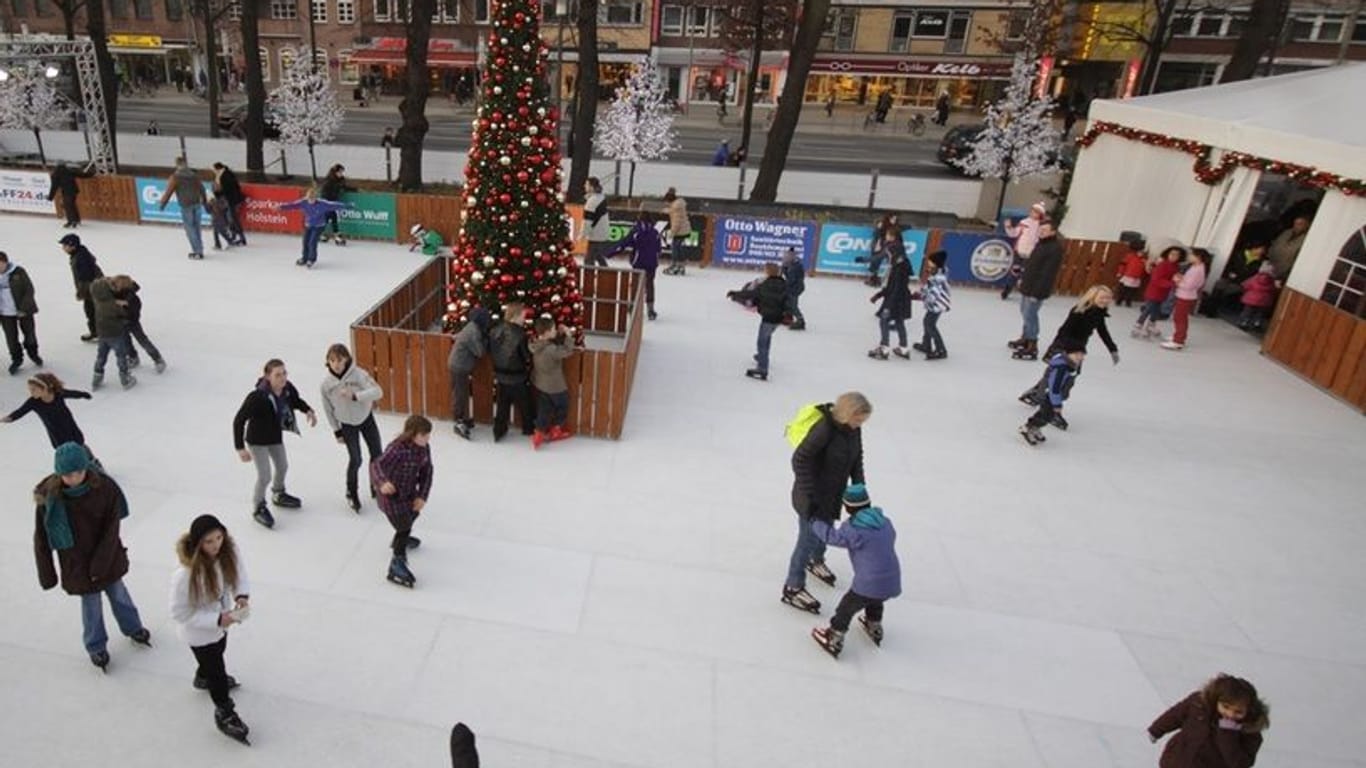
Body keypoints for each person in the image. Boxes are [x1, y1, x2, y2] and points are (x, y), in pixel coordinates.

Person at [33, 442, 151, 671]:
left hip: (106, 557)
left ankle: (133, 628)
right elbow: (41, 538)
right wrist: (47, 573)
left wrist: (100, 563)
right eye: (67, 474)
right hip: (76, 564)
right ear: (59, 473)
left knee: (119, 595)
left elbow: (111, 529)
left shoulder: (104, 488)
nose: (74, 477)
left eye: (78, 471)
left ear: (86, 468)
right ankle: (96, 647)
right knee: (91, 606)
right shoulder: (50, 499)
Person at [782, 392, 871, 613]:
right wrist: (810, 495)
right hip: (811, 497)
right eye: (858, 419)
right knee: (807, 539)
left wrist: (860, 488)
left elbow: (857, 458)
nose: (860, 424)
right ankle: (793, 585)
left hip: (833, 492)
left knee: (828, 527)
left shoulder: (853, 429)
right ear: (848, 413)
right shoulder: (824, 429)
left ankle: (817, 559)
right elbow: (799, 459)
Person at [168, 514, 252, 744]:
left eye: (218, 538)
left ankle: (202, 675)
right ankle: (224, 711)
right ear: (197, 544)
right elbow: (179, 612)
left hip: (222, 624)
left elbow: (239, 574)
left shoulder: (227, 553)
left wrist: (241, 596)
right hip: (199, 633)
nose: (216, 545)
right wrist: (216, 620)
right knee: (217, 668)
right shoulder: (185, 576)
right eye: (209, 541)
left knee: (220, 649)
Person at [808, 484, 901, 658]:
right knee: (875, 600)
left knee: (846, 608)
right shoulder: (885, 523)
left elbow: (832, 537)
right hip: (892, 580)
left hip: (868, 583)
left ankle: (834, 636)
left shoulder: (854, 529)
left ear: (849, 507)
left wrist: (815, 522)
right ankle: (874, 625)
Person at [232, 358, 317, 529]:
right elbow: (239, 420)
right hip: (257, 441)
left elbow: (295, 400)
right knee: (264, 476)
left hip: (274, 437)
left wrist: (308, 410)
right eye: (278, 375)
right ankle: (258, 506)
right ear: (267, 377)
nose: (283, 378)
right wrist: (240, 448)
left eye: (284, 373)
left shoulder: (286, 390)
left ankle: (278, 493)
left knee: (283, 466)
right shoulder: (257, 397)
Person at [1019, 285, 1119, 428]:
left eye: (1108, 298)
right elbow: (1065, 331)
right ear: (1093, 297)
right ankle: (1049, 408)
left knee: (1061, 377)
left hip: (1077, 349)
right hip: (1065, 348)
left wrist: (1112, 349)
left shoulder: (1099, 312)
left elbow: (1103, 331)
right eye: (1102, 297)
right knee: (1060, 379)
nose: (1105, 300)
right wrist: (1071, 350)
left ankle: (1037, 395)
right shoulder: (1079, 311)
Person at [1148, 674, 1269, 768]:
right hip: (1178, 760)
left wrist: (1228, 734)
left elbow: (1240, 763)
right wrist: (1156, 730)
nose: (1230, 714)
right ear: (1216, 700)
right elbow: (1176, 715)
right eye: (1226, 707)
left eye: (1238, 712)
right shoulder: (1198, 704)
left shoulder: (1249, 732)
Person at [320, 343, 384, 511]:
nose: (336, 364)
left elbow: (378, 392)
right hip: (347, 425)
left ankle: (376, 485)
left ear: (347, 359)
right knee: (356, 459)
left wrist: (356, 396)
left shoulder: (359, 375)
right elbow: (328, 409)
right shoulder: (327, 385)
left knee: (377, 454)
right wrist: (336, 430)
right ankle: (351, 492)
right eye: (332, 360)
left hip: (365, 418)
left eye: (339, 360)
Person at [372, 415, 434, 588]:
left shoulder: (424, 449)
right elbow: (377, 465)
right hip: (391, 497)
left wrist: (422, 496)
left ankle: (400, 540)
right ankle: (396, 563)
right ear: (413, 434)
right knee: (404, 526)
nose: (427, 439)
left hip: (409, 494)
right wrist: (383, 482)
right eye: (424, 435)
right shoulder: (397, 449)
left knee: (413, 513)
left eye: (428, 435)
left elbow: (427, 472)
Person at [1009, 220, 1064, 361]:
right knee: (1024, 312)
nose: (1042, 232)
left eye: (1045, 230)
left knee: (1031, 315)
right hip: (1028, 284)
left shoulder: (1055, 248)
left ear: (1053, 232)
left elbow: (1047, 273)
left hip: (1037, 289)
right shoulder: (1040, 244)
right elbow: (1032, 264)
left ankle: (1032, 344)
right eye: (1041, 229)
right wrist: (1023, 278)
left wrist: (1037, 293)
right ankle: (1025, 338)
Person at [4, 373, 93, 453]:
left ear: (44, 388)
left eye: (34, 389)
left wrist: (84, 394)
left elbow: (72, 393)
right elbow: (20, 411)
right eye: (30, 390)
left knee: (79, 445)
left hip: (70, 428)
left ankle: (91, 461)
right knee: (64, 451)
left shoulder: (58, 394)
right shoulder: (33, 402)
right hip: (56, 434)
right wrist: (9, 418)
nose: (31, 392)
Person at [1019, 340, 1085, 446]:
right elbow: (1054, 387)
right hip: (1050, 395)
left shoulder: (1069, 365)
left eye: (1082, 355)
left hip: (1053, 395)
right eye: (1076, 354)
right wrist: (1057, 404)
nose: (1079, 357)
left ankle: (1035, 428)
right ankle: (1027, 428)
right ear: (1067, 354)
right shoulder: (1061, 368)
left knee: (1046, 414)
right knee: (1046, 415)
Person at [488, 302, 535, 442]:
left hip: (501, 375)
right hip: (517, 376)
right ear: (515, 316)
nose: (524, 319)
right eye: (523, 316)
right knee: (525, 403)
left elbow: (493, 350)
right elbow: (525, 356)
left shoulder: (495, 330)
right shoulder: (521, 334)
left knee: (502, 405)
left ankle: (499, 431)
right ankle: (528, 428)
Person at [605, 210, 661, 321]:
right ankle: (650, 309)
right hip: (652, 263)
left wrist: (610, 253)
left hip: (639, 262)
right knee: (649, 284)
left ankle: (632, 306)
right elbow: (659, 249)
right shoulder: (655, 232)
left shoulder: (636, 231)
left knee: (636, 285)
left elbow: (623, 244)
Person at [279, 187, 355, 268]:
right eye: (309, 199)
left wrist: (348, 206)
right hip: (308, 225)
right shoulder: (303, 202)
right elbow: (292, 205)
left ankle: (311, 259)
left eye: (313, 199)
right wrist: (281, 207)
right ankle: (304, 258)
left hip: (319, 226)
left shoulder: (322, 204)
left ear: (316, 198)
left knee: (312, 242)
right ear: (307, 198)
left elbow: (334, 205)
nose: (311, 201)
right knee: (305, 242)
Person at [529, 316, 574, 449]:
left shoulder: (535, 345)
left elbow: (550, 344)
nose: (555, 331)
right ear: (547, 332)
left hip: (541, 384)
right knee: (562, 406)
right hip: (556, 387)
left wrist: (558, 335)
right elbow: (567, 351)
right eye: (553, 329)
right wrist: (569, 335)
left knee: (544, 410)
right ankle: (556, 429)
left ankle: (539, 433)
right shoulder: (551, 350)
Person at [868, 228, 912, 361]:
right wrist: (879, 295)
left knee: (884, 320)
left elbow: (896, 287)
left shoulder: (898, 269)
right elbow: (894, 286)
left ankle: (884, 348)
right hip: (902, 298)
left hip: (895, 299)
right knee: (899, 321)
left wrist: (888, 305)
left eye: (888, 255)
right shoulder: (902, 265)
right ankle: (903, 348)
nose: (887, 258)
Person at [108, 275, 166, 374]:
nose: (113, 287)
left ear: (123, 286)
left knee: (143, 341)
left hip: (132, 322)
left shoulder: (132, 298)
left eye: (116, 285)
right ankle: (133, 357)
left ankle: (157, 359)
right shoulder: (114, 295)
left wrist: (125, 307)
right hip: (120, 323)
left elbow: (134, 312)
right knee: (126, 342)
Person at [448, 307, 491, 440]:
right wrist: (486, 341)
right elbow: (480, 352)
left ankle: (462, 418)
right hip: (459, 366)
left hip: (459, 365)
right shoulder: (473, 332)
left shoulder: (472, 327)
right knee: (460, 393)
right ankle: (459, 421)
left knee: (462, 392)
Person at [87, 277, 135, 391]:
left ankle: (97, 377)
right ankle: (125, 377)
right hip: (115, 333)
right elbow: (124, 314)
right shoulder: (113, 305)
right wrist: (123, 307)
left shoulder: (97, 300)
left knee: (101, 356)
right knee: (121, 356)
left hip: (102, 334)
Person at [742, 262, 788, 382]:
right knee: (766, 339)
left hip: (768, 317)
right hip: (778, 318)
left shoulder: (765, 285)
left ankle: (762, 368)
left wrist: (736, 294)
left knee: (762, 341)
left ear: (768, 272)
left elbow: (754, 295)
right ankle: (761, 357)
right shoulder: (783, 284)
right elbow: (788, 299)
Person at [157, 156, 207, 260]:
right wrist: (204, 200)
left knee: (190, 229)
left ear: (177, 165)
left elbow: (168, 192)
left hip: (186, 205)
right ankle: (199, 249)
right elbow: (202, 188)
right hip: (196, 203)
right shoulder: (194, 175)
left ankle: (197, 251)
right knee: (197, 227)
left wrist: (162, 204)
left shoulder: (175, 177)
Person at [0, 251, 42, 374]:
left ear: (5, 262)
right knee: (11, 338)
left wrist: (24, 308)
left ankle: (33, 353)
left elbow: (29, 290)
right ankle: (16, 359)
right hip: (5, 313)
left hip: (23, 311)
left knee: (30, 335)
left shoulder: (18, 272)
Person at [1162, 248, 1210, 351]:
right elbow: (1189, 281)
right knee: (1180, 318)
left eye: (1191, 255)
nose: (1189, 257)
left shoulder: (1198, 270)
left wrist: (1177, 281)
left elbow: (1190, 285)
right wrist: (1181, 278)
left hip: (1186, 296)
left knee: (1180, 318)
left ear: (1198, 257)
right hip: (1184, 295)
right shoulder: (1195, 266)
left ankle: (1178, 341)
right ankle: (1178, 336)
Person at [1204, 242, 1266, 318]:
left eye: (1263, 250)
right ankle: (1209, 309)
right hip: (1229, 278)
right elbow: (1229, 265)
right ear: (1254, 248)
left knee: (1227, 290)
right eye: (1261, 249)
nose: (1262, 251)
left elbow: (1253, 276)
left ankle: (1212, 310)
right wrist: (1230, 273)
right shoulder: (1239, 255)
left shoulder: (1259, 262)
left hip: (1241, 283)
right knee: (1219, 285)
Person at [1134, 246, 1184, 339]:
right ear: (1167, 254)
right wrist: (1172, 283)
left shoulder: (1176, 266)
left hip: (1163, 292)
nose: (1174, 256)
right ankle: (1138, 325)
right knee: (1148, 309)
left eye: (1177, 255)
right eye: (1172, 254)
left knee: (1156, 310)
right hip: (1154, 291)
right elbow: (1156, 279)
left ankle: (1151, 325)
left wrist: (1178, 280)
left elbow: (1174, 277)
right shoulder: (1162, 265)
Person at [60, 233, 103, 343]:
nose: (63, 248)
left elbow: (86, 278)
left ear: (72, 245)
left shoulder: (81, 257)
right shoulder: (79, 254)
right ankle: (97, 332)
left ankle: (98, 333)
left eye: (65, 246)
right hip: (93, 288)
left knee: (92, 311)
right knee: (92, 311)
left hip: (92, 289)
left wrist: (81, 293)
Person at [1001, 202, 1047, 300]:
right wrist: (1008, 227)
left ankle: (1026, 292)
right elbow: (1013, 234)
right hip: (1020, 251)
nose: (1033, 213)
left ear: (1040, 214)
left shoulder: (1042, 225)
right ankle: (1007, 289)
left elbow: (1043, 239)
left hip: (1032, 253)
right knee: (1015, 271)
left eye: (1036, 212)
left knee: (1027, 273)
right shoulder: (1024, 222)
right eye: (1032, 210)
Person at [913, 250, 950, 360]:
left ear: (936, 263)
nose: (928, 262)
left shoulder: (938, 278)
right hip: (935, 303)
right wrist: (920, 293)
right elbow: (928, 286)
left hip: (937, 303)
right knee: (927, 322)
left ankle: (941, 350)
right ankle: (926, 344)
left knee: (930, 324)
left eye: (931, 261)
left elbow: (934, 293)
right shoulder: (936, 273)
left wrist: (921, 296)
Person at [319, 164, 356, 245]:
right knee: (331, 216)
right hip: (327, 201)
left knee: (329, 216)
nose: (341, 174)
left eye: (342, 172)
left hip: (333, 201)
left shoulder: (340, 180)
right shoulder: (328, 181)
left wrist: (354, 189)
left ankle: (321, 232)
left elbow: (344, 187)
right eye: (340, 172)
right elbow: (324, 193)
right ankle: (336, 235)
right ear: (335, 172)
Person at [211, 163, 247, 246]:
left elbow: (228, 189)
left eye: (214, 170)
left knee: (233, 219)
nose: (214, 171)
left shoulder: (225, 176)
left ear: (218, 169)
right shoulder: (224, 175)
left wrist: (217, 192)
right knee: (230, 219)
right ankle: (234, 236)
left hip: (231, 201)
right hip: (228, 200)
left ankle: (241, 238)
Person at [1267, 213, 1310, 280]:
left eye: (1300, 224)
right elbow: (1274, 245)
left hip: (1283, 274)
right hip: (1269, 266)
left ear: (1306, 225)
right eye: (1295, 223)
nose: (1295, 226)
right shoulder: (1287, 232)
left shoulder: (1306, 240)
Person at [1238, 262, 1279, 331]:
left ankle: (1244, 322)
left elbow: (1246, 285)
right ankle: (1257, 323)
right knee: (1260, 313)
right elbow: (1273, 289)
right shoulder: (1271, 281)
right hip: (1264, 301)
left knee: (1247, 312)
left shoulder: (1255, 278)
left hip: (1251, 299)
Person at [48, 161, 87, 228]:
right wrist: (92, 174)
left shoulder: (55, 174)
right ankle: (76, 220)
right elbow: (82, 175)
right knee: (72, 205)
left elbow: (54, 187)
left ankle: (71, 221)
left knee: (68, 206)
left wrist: (50, 197)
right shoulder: (69, 171)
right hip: (74, 191)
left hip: (66, 192)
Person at [582, 177, 612, 267]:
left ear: (591, 187)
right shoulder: (600, 197)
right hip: (601, 233)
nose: (584, 186)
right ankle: (606, 273)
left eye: (586, 184)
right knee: (598, 255)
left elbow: (588, 220)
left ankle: (591, 278)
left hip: (596, 234)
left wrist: (583, 233)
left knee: (588, 260)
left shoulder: (592, 201)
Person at [662, 188, 692, 275]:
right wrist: (666, 210)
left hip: (680, 231)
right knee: (678, 248)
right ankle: (679, 266)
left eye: (667, 202)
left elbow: (676, 222)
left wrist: (672, 232)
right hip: (683, 230)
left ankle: (676, 266)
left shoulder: (676, 208)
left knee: (676, 249)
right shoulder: (677, 205)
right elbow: (672, 211)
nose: (666, 204)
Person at [863, 214, 898, 287]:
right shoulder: (883, 225)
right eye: (893, 219)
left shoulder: (890, 226)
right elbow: (878, 235)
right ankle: (872, 279)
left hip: (883, 246)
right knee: (875, 262)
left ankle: (875, 279)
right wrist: (877, 245)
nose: (894, 221)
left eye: (895, 220)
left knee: (879, 262)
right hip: (878, 245)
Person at [1115, 239, 1147, 307]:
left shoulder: (1143, 259)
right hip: (1128, 276)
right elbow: (1123, 264)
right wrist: (1120, 272)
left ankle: (1128, 301)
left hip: (1136, 278)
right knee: (1123, 290)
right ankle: (1119, 300)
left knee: (1132, 291)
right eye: (1140, 251)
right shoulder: (1130, 256)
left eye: (1142, 252)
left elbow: (1145, 269)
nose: (1141, 253)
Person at [781, 247, 806, 331]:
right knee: (787, 301)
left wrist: (783, 285)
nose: (785, 258)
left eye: (787, 256)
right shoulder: (791, 264)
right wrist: (784, 269)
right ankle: (788, 316)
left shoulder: (795, 266)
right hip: (794, 287)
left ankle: (800, 320)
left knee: (792, 304)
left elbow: (791, 280)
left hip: (795, 288)